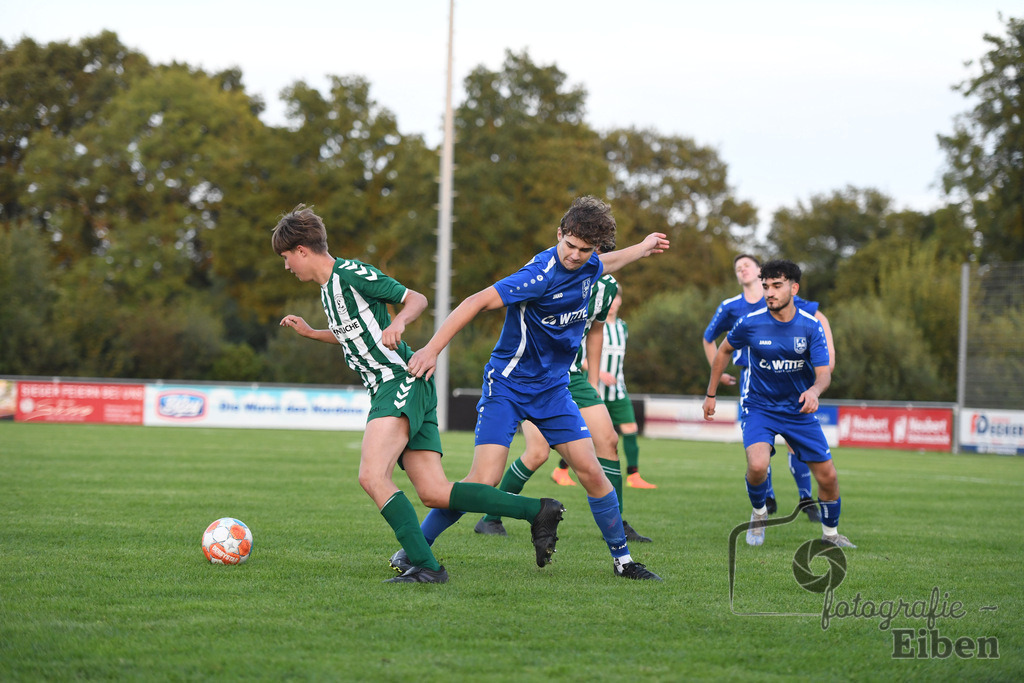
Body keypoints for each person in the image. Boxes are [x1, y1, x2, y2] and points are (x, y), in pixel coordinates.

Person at [272, 204, 565, 584]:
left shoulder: (351, 272)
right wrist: (314, 333)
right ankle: (537, 510)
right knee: (435, 492)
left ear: (302, 250)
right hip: (406, 385)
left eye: (285, 258)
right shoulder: (328, 292)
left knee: (372, 476)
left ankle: (427, 566)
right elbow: (354, 333)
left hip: (397, 382)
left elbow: (416, 299)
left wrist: (400, 320)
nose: (286, 267)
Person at [400, 196, 668, 580]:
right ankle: (413, 551)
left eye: (585, 249)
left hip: (554, 390)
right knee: (482, 481)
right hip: (508, 387)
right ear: (559, 234)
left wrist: (641, 250)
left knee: (592, 471)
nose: (575, 256)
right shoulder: (538, 274)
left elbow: (602, 264)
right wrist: (432, 348)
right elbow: (476, 301)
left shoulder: (590, 262)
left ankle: (623, 562)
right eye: (569, 246)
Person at [471, 269, 653, 544]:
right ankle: (490, 518)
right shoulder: (551, 272)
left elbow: (597, 330)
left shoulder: (607, 287)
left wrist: (592, 382)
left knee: (608, 440)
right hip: (536, 375)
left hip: (574, 375)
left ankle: (617, 523)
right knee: (537, 453)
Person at [703, 259, 854, 549]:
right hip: (760, 407)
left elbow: (824, 373)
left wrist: (814, 391)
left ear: (794, 288)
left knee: (828, 476)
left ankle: (831, 535)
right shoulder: (750, 322)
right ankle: (759, 514)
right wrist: (711, 394)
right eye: (766, 286)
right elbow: (722, 350)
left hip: (798, 410)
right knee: (758, 466)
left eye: (776, 286)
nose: (769, 292)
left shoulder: (811, 327)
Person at [597, 291, 656, 489]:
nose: (612, 302)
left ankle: (633, 474)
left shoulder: (623, 327)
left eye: (616, 297)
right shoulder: (594, 324)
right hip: (595, 389)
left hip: (618, 390)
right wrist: (599, 373)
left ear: (621, 300)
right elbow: (580, 356)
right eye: (609, 298)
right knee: (588, 434)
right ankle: (561, 470)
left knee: (630, 428)